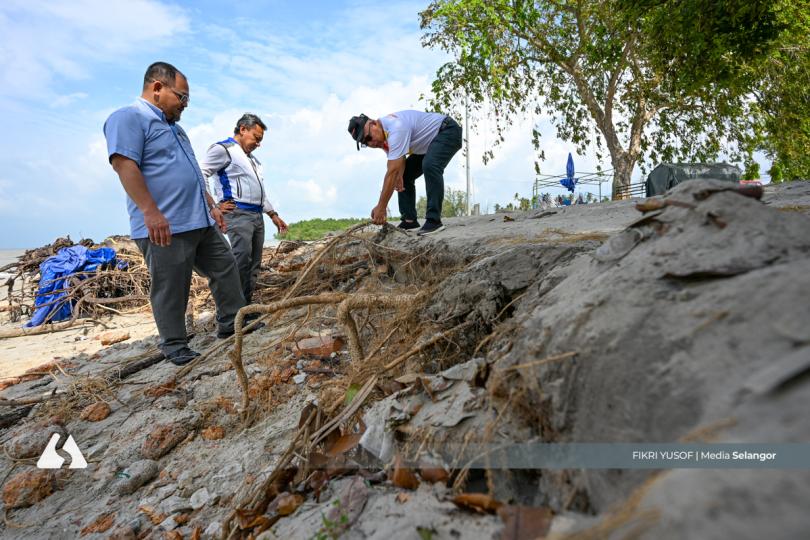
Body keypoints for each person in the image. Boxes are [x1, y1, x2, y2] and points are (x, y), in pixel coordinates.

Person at [103, 62, 247, 366]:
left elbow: (193, 172)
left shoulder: (176, 129)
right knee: (171, 286)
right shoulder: (128, 118)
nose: (184, 105)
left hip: (200, 219)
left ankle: (231, 323)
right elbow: (124, 164)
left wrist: (211, 206)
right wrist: (150, 211)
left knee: (225, 266)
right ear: (157, 88)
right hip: (164, 224)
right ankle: (174, 345)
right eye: (181, 97)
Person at [200, 114, 287, 305]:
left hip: (256, 215)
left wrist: (273, 214)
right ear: (242, 129)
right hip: (238, 214)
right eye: (256, 138)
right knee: (240, 263)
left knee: (253, 265)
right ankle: (233, 311)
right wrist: (213, 205)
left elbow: (258, 192)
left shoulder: (252, 160)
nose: (258, 144)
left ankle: (245, 308)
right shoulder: (224, 149)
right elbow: (201, 174)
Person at [347, 110, 462, 235]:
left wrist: (381, 206)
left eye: (369, 137)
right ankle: (409, 220)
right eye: (365, 143)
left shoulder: (396, 128)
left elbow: (392, 171)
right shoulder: (384, 136)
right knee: (404, 175)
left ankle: (434, 221)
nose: (371, 143)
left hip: (447, 131)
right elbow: (397, 161)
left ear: (374, 123)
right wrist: (400, 175)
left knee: (430, 165)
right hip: (428, 144)